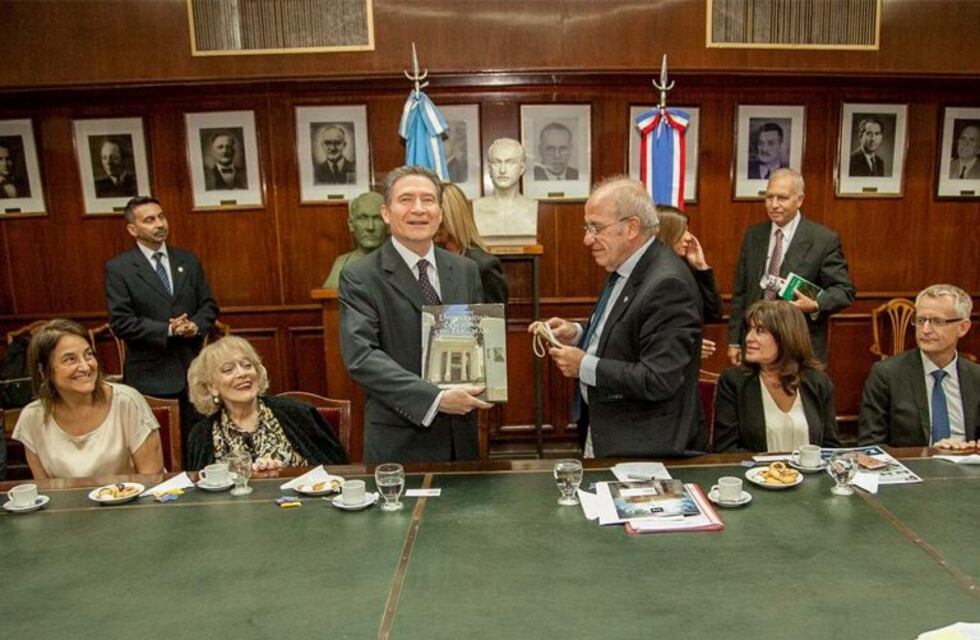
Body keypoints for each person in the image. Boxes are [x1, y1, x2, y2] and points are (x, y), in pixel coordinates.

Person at [533, 176, 703, 458]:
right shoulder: (628, 265)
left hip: (644, 447)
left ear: (631, 227)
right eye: (587, 228)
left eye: (596, 228)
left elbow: (658, 378)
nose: (587, 239)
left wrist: (584, 365)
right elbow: (628, 329)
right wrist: (577, 332)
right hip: (609, 431)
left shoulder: (668, 284)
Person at [339, 165, 489, 463]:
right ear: (386, 213)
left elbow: (477, 341)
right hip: (400, 440)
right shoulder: (360, 276)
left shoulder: (465, 270)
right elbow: (362, 357)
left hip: (461, 437)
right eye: (406, 199)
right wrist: (435, 399)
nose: (418, 209)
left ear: (441, 213)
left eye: (428, 200)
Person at [104, 196, 219, 446]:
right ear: (132, 229)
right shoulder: (119, 268)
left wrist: (194, 325)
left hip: (194, 370)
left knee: (198, 444)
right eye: (149, 220)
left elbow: (209, 306)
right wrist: (168, 329)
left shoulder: (187, 261)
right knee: (161, 448)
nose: (160, 224)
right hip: (150, 376)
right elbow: (121, 322)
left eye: (161, 216)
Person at [727, 168, 855, 366]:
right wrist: (735, 340)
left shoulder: (822, 240)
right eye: (769, 197)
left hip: (798, 347)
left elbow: (844, 291)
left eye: (782, 198)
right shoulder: (754, 236)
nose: (774, 205)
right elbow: (741, 291)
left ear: (800, 200)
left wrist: (816, 304)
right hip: (755, 345)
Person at [12, 319, 164, 479]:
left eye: (88, 355)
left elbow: (152, 480)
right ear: (43, 371)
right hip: (68, 504)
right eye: (70, 359)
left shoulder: (128, 402)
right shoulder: (32, 418)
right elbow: (46, 492)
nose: (85, 367)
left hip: (133, 502)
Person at [185, 336, 348, 470]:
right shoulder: (201, 435)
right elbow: (198, 492)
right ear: (211, 387)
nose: (242, 373)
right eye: (228, 370)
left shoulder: (297, 413)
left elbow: (336, 470)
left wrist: (283, 472)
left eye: (247, 365)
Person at [858, 284, 979, 447]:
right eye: (921, 320)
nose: (926, 330)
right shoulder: (887, 374)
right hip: (914, 468)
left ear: (963, 327)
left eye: (937, 321)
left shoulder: (976, 377)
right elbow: (870, 445)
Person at [714, 301, 841, 452]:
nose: (748, 338)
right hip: (754, 474)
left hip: (808, 474)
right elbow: (725, 449)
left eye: (760, 331)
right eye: (749, 329)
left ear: (786, 336)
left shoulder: (818, 381)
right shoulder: (734, 381)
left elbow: (831, 447)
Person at [656, 207, 722, 359]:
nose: (689, 237)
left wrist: (701, 267)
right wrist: (685, 344)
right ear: (666, 233)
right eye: (682, 231)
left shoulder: (684, 269)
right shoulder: (654, 275)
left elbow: (714, 313)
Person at [435, 182, 508, 304]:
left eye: (439, 220)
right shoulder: (426, 261)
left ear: (453, 219)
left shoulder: (484, 266)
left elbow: (496, 320)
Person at [472, 138, 538, 244]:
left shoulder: (535, 209)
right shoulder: (473, 209)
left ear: (522, 168)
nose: (502, 170)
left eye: (510, 163)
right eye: (496, 162)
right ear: (489, 168)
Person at [322, 191, 387, 289]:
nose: (370, 227)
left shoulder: (401, 262)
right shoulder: (341, 264)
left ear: (388, 224)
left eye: (377, 219)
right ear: (351, 224)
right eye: (363, 218)